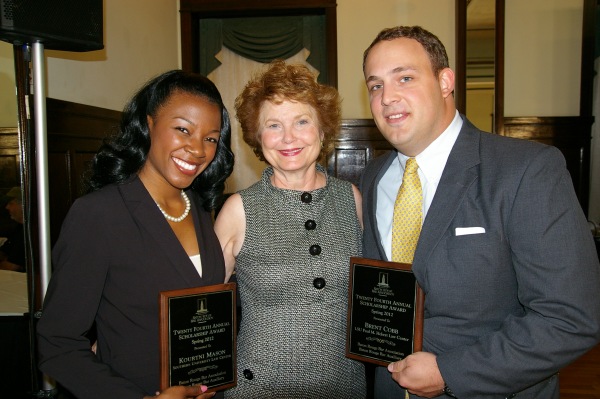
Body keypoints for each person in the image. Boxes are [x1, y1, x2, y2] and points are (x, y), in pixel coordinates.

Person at [361, 25, 600, 399]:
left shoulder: (527, 170)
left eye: (404, 77)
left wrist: (450, 372)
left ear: (445, 81)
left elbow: (570, 318)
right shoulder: (374, 176)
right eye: (375, 85)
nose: (387, 97)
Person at [36, 70, 234, 399]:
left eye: (210, 138)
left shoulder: (200, 208)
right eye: (182, 129)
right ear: (149, 123)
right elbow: (57, 343)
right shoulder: (99, 214)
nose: (197, 149)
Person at [214, 60, 366, 398]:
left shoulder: (350, 199)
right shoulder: (238, 210)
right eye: (273, 125)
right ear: (257, 136)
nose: (288, 138)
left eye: (301, 121)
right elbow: (201, 304)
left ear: (323, 129)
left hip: (343, 386)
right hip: (260, 387)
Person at [0, 186, 25, 272]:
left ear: (23, 205)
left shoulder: (30, 233)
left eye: (11, 203)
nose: (7, 207)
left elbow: (12, 267)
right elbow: (3, 251)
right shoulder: (19, 229)